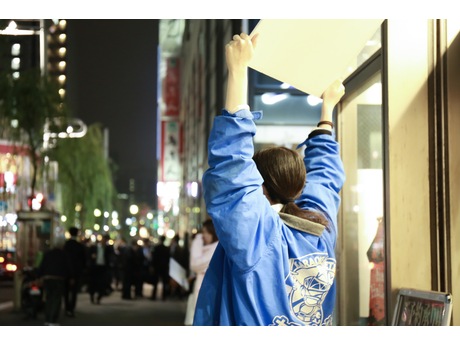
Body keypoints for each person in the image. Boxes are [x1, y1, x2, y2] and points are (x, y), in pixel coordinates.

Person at [193, 32, 346, 326]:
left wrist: (238, 72)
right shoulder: (320, 229)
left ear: (260, 188)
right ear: (299, 186)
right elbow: (325, 177)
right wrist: (328, 109)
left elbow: (232, 167)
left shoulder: (257, 235)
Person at [184, 219, 218, 325]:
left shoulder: (215, 248)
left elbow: (195, 264)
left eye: (205, 232)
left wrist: (197, 240)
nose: (203, 236)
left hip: (209, 296)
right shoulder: (209, 248)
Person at [38, 235, 73, 326]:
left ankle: (47, 318)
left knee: (49, 298)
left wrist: (40, 276)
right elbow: (68, 267)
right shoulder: (64, 254)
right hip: (59, 278)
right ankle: (53, 319)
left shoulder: (48, 253)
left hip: (48, 278)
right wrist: (70, 277)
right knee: (56, 299)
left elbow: (42, 266)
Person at [63, 226, 87, 317]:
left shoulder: (66, 245)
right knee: (74, 292)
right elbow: (83, 260)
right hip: (76, 272)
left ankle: (66, 308)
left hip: (65, 272)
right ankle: (71, 309)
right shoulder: (79, 246)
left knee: (66, 291)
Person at [150, 235, 170, 301]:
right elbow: (168, 259)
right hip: (164, 267)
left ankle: (153, 296)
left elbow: (154, 258)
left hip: (157, 267)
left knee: (155, 282)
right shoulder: (166, 249)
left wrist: (152, 266)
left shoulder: (157, 248)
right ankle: (163, 296)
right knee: (164, 282)